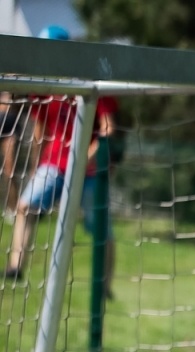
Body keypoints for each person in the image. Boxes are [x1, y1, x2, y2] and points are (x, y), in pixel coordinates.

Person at [6, 27, 119, 288]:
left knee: (101, 229)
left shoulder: (89, 84)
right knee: (25, 207)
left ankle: (105, 285)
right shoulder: (43, 89)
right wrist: (37, 164)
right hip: (54, 164)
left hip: (87, 170)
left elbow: (107, 128)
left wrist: (87, 159)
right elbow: (40, 129)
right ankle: (15, 268)